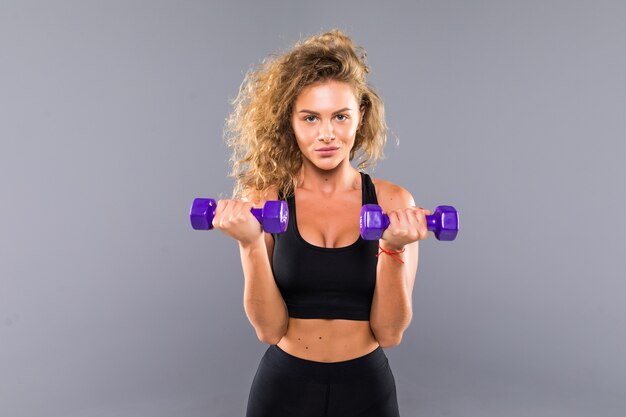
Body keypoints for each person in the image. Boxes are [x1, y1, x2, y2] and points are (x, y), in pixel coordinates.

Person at [213, 29, 431, 417]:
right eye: (310, 118)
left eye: (340, 117)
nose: (326, 133)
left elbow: (389, 333)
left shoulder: (394, 202)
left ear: (360, 116)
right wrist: (249, 245)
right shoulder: (265, 200)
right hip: (284, 387)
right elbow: (269, 330)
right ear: (290, 122)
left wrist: (392, 248)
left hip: (366, 388)